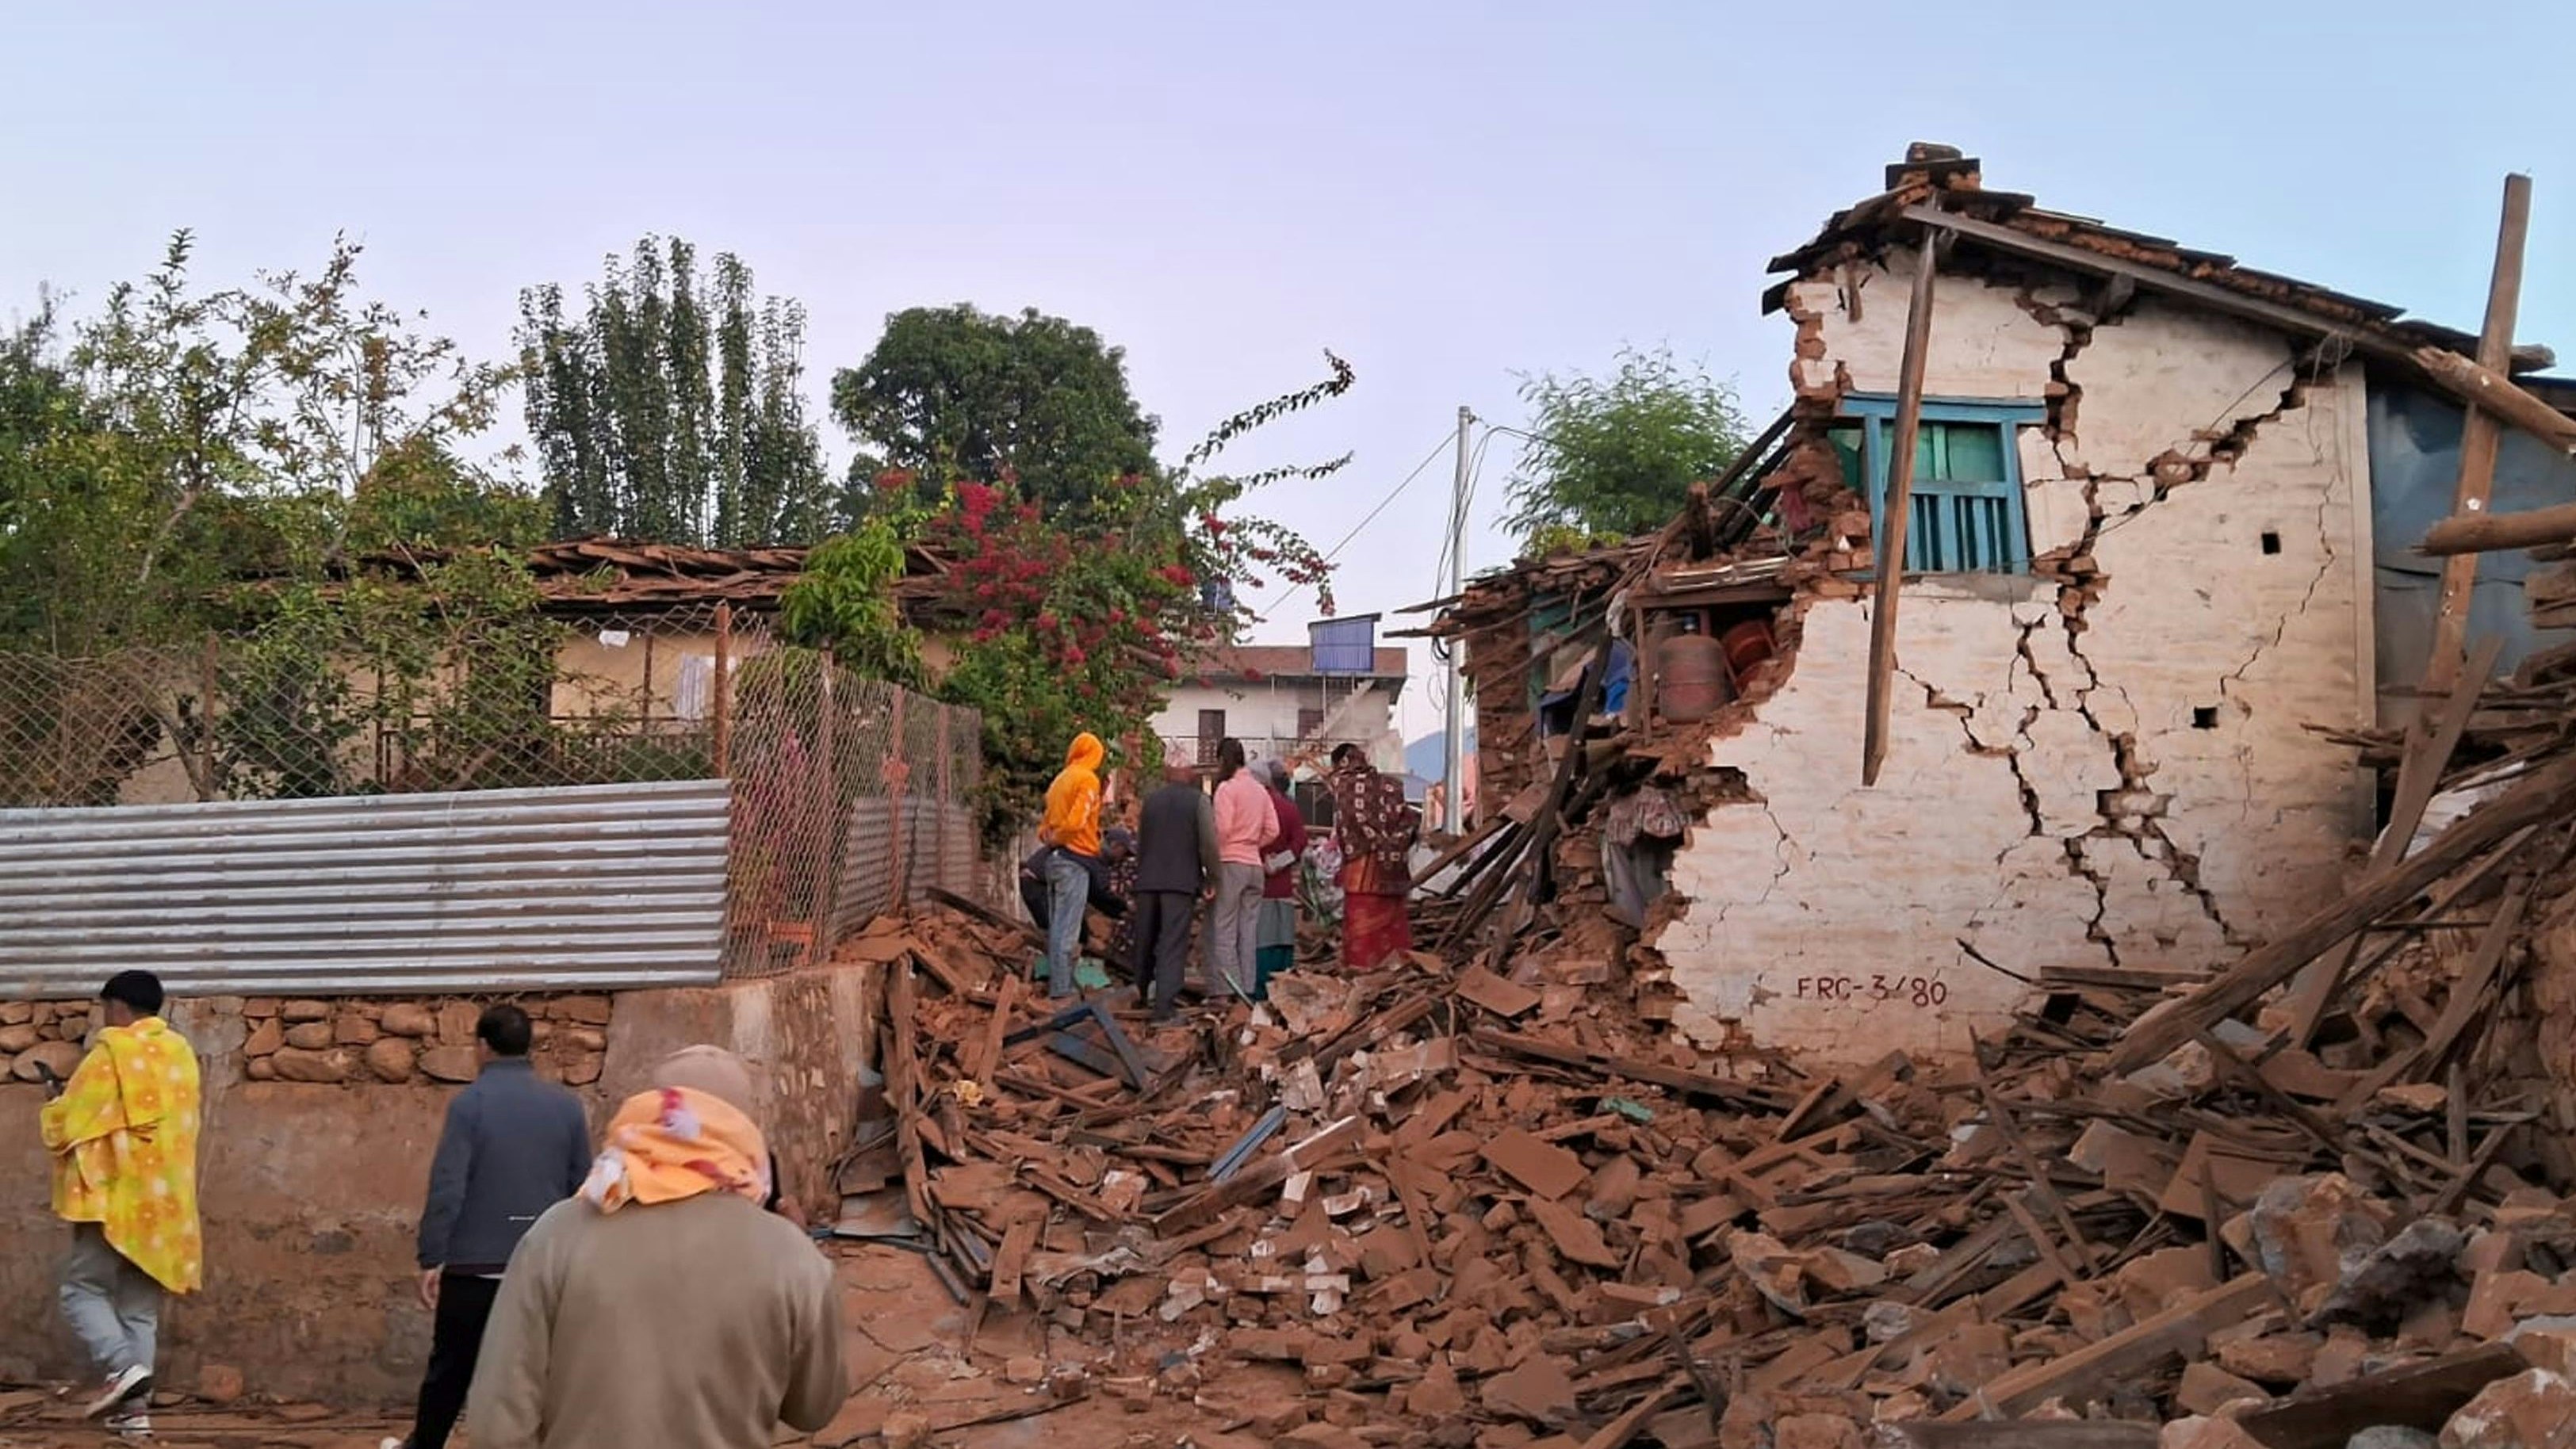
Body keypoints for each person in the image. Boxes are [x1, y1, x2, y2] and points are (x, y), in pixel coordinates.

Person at [465, 1046, 848, 1449]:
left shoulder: (557, 1235)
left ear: (649, 1114)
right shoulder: (792, 1257)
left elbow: (498, 1423)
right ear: (742, 1131)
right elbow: (814, 1408)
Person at [385, 1004, 594, 1449]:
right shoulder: (566, 1106)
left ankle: (425, 1444)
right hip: (543, 1268)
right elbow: (583, 1189)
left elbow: (448, 1186)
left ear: (482, 1047)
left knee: (451, 1372)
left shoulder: (470, 1106)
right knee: (543, 1372)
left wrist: (432, 1257)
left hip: (474, 1270)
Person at [40, 970, 201, 1439]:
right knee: (139, 1310)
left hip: (115, 1199)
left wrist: (54, 1104)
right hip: (167, 1204)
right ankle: (135, 1416)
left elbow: (70, 1122)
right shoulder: (181, 1053)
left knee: (81, 1290)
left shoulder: (112, 1052)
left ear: (117, 1008)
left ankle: (122, 1367)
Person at [1130, 763, 1220, 1019]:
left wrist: (1142, 874)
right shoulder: (1199, 802)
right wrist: (1212, 878)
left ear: (1168, 773)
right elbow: (1209, 845)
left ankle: (1142, 994)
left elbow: (1142, 841)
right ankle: (1164, 1007)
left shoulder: (1151, 801)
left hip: (1148, 880)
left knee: (1146, 940)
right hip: (1180, 883)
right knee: (1172, 943)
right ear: (1190, 773)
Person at [1329, 744, 1419, 971]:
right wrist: (1390, 844)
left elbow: (1349, 827)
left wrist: (1371, 840)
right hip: (1393, 871)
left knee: (1362, 932)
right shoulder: (1391, 785)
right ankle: (1397, 971)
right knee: (1392, 928)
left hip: (1362, 872)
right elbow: (1408, 820)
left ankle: (1362, 974)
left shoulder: (1344, 784)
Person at [1208, 738, 1277, 1001]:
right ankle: (1247, 990)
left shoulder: (1226, 789)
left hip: (1231, 863)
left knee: (1224, 928)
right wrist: (1251, 844)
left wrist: (1218, 857)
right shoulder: (1260, 790)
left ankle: (1226, 990)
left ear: (1222, 760)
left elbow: (1222, 830)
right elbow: (1273, 830)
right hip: (1255, 866)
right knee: (1248, 932)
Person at [1039, 732, 1108, 998]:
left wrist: (1051, 840)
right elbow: (1076, 823)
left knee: (1057, 927)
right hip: (1075, 859)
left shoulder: (1059, 780)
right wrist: (1061, 838)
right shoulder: (1087, 779)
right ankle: (1061, 991)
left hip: (1054, 861)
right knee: (1067, 931)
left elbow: (1043, 825)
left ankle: (1059, 986)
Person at [1254, 760, 1310, 994]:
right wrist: (1279, 863)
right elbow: (1300, 842)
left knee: (1259, 940)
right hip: (1282, 884)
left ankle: (1259, 990)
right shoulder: (1289, 808)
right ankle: (1281, 988)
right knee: (1282, 938)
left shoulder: (1253, 806)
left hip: (1256, 884)